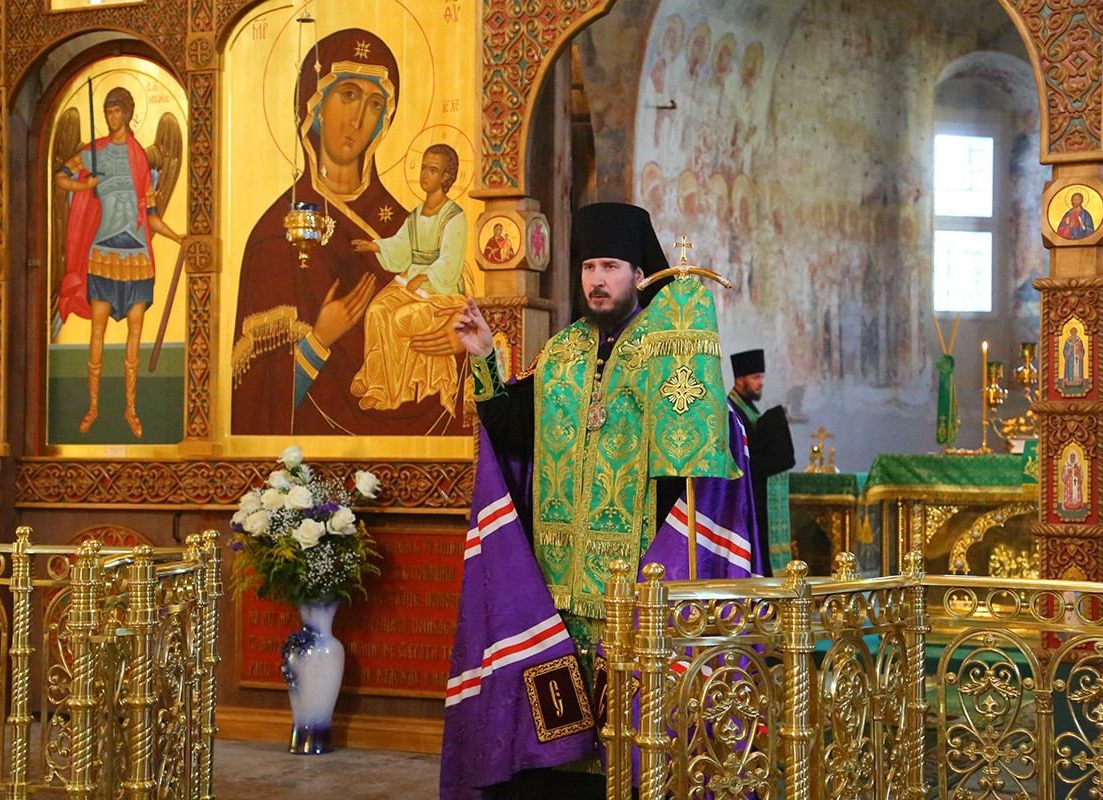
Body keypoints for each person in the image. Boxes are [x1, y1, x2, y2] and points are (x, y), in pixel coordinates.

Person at [443, 203, 754, 799]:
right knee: (560, 754)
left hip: (634, 587)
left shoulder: (667, 351)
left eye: (610, 266)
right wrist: (484, 357)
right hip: (558, 589)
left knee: (632, 748)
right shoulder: (562, 354)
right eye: (589, 267)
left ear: (638, 274)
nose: (597, 280)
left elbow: (700, 456)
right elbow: (515, 435)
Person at [231, 28, 463, 436]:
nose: (357, 120)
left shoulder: (407, 225)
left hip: (420, 446)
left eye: (374, 104)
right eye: (348, 95)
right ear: (315, 104)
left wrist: (460, 339)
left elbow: (454, 308)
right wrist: (319, 339)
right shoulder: (273, 236)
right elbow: (251, 401)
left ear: (384, 120)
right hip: (308, 455)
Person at [55, 86, 184, 438]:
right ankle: (93, 407)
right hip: (103, 253)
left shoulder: (140, 158)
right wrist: (86, 187)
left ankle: (130, 409)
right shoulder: (93, 153)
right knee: (97, 332)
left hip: (137, 257)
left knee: (135, 336)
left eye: (117, 110)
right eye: (108, 111)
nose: (112, 117)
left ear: (127, 113)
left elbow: (151, 215)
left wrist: (177, 238)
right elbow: (60, 177)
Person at [350, 143, 467, 414]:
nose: (425, 174)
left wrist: (426, 275)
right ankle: (376, 381)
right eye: (423, 168)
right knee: (376, 311)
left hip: (440, 290)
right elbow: (402, 245)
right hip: (410, 280)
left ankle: (392, 391)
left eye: (432, 170)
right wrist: (376, 246)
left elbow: (451, 261)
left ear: (446, 177)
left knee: (400, 319)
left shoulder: (454, 217)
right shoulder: (416, 214)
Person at [728, 348, 795, 576]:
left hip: (758, 494)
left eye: (762, 377)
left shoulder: (749, 408)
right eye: (756, 377)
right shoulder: (732, 410)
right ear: (740, 379)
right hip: (744, 498)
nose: (761, 383)